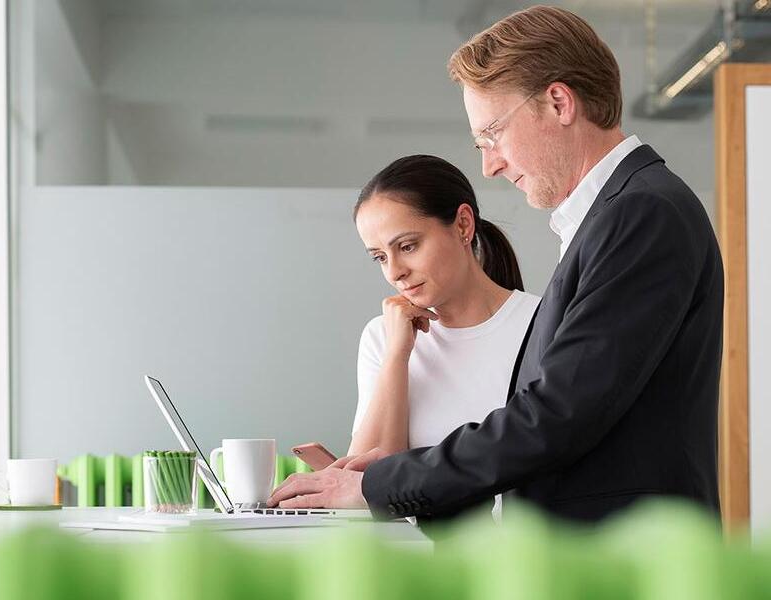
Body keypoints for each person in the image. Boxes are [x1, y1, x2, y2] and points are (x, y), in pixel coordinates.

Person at [270, 5, 724, 524]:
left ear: (558, 103)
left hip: (625, 553)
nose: (489, 165)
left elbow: (560, 415)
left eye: (492, 134)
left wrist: (381, 484)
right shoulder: (616, 213)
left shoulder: (640, 212)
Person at [348, 154, 541, 517]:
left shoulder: (542, 323)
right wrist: (397, 355)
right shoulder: (382, 337)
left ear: (463, 225)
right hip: (413, 552)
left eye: (407, 246)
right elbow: (363, 482)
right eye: (379, 257)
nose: (395, 272)